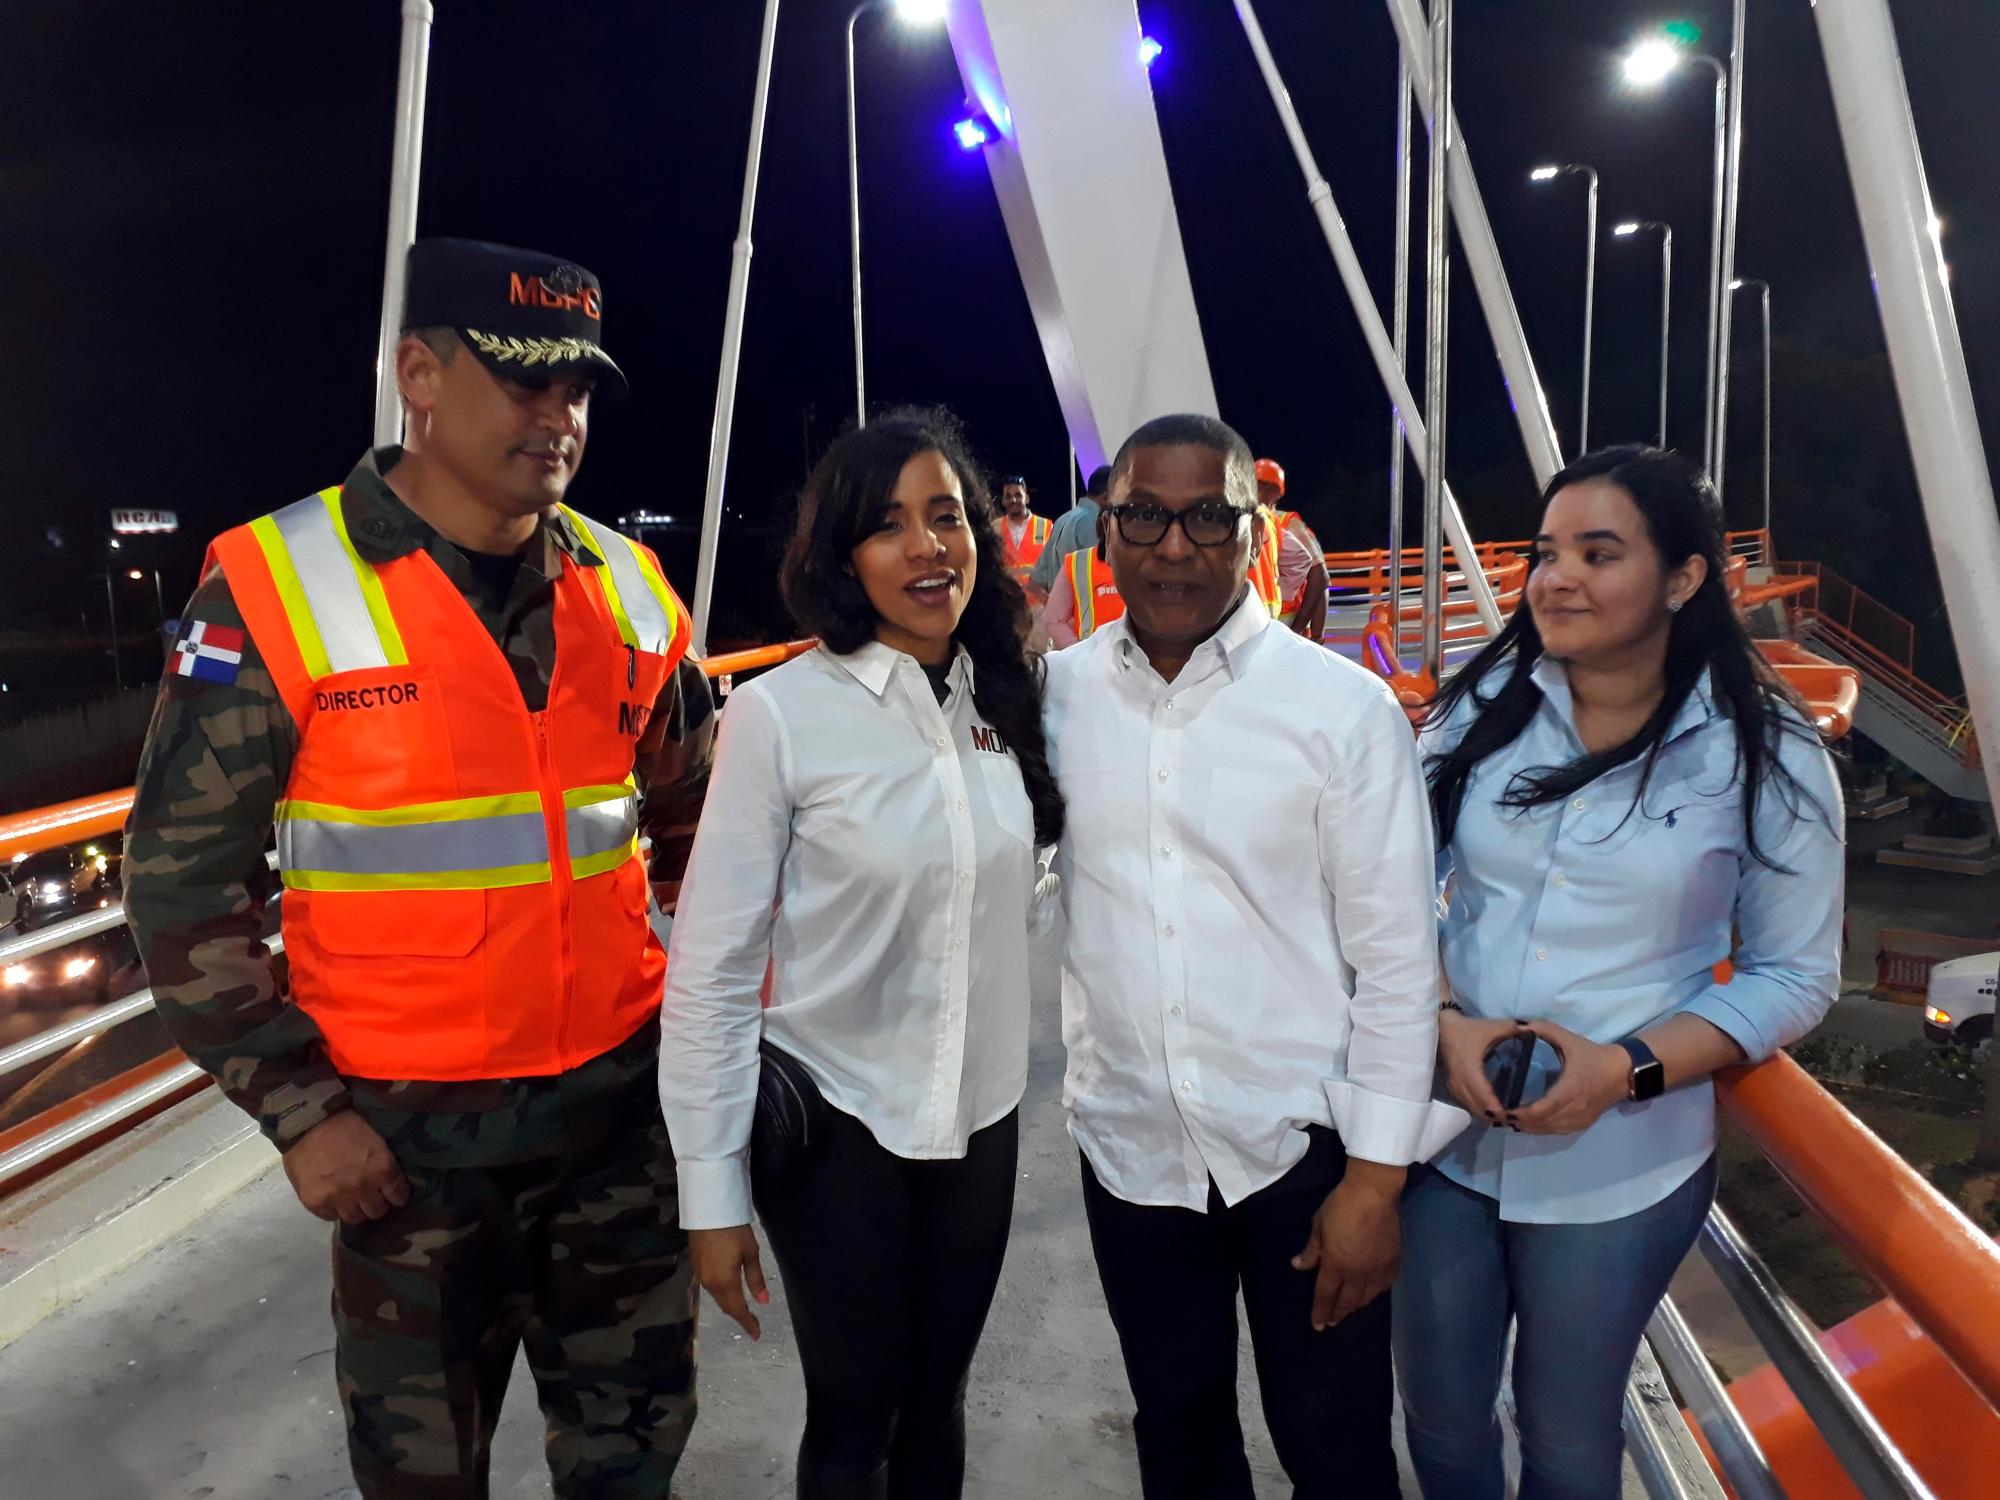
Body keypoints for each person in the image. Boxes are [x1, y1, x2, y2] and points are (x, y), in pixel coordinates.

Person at [123, 238, 712, 1499]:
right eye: (524, 383)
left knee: (635, 1460)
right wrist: (300, 1114)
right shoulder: (277, 586)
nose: (558, 419)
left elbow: (701, 820)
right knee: (421, 1478)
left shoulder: (628, 588)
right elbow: (180, 886)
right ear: (419, 377)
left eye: (579, 391)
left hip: (617, 1127)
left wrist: (708, 1042)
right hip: (404, 1151)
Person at [1395, 446, 1843, 1500]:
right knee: (1441, 1417)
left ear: (1683, 579)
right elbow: (1391, 888)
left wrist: (1625, 1069)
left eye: (1597, 554)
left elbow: (1792, 972)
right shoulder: (1482, 705)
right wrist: (1439, 1016)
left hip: (1621, 1161)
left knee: (1566, 1438)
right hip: (1443, 1131)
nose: (1554, 578)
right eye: (1546, 553)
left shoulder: (1764, 752)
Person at [1043, 413, 1467, 1500]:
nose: (1172, 547)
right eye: (1142, 515)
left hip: (1304, 1154)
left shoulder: (1341, 712)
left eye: (1205, 519)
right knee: (1177, 1441)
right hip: (1132, 1153)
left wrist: (1374, 1183)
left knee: (1333, 1450)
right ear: (1104, 533)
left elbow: (1396, 962)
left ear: (1255, 531)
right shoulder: (1059, 698)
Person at [658, 409, 1065, 1500]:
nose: (927, 548)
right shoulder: (782, 717)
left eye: (946, 518)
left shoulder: (1011, 699)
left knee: (936, 1406)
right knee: (853, 1418)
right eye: (888, 527)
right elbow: (707, 965)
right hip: (840, 1124)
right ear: (842, 554)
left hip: (978, 1117)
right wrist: (710, 1194)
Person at [1254, 457, 1331, 642]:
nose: (1257, 490)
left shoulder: (1288, 523)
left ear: (1276, 492)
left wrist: (1307, 635)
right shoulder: (1259, 520)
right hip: (1265, 618)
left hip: (1284, 620)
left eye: (1262, 485)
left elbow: (1320, 576)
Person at [1026, 462, 1113, 598]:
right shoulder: (1095, 523)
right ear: (1105, 497)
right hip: (1091, 614)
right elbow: (1105, 581)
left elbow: (1035, 583)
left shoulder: (1062, 520)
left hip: (1067, 614)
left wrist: (1055, 609)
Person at [1040, 533, 1125, 647]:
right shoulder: (1079, 562)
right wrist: (1078, 652)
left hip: (1141, 658)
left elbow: (1053, 620)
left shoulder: (1149, 562)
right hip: (1092, 659)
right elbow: (1053, 619)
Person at [996, 473, 1054, 593]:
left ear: (1026, 498)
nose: (1013, 500)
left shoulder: (1045, 526)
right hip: (1007, 602)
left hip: (1038, 605)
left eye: (1018, 495)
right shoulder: (995, 527)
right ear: (1002, 501)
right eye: (1008, 496)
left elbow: (1054, 565)